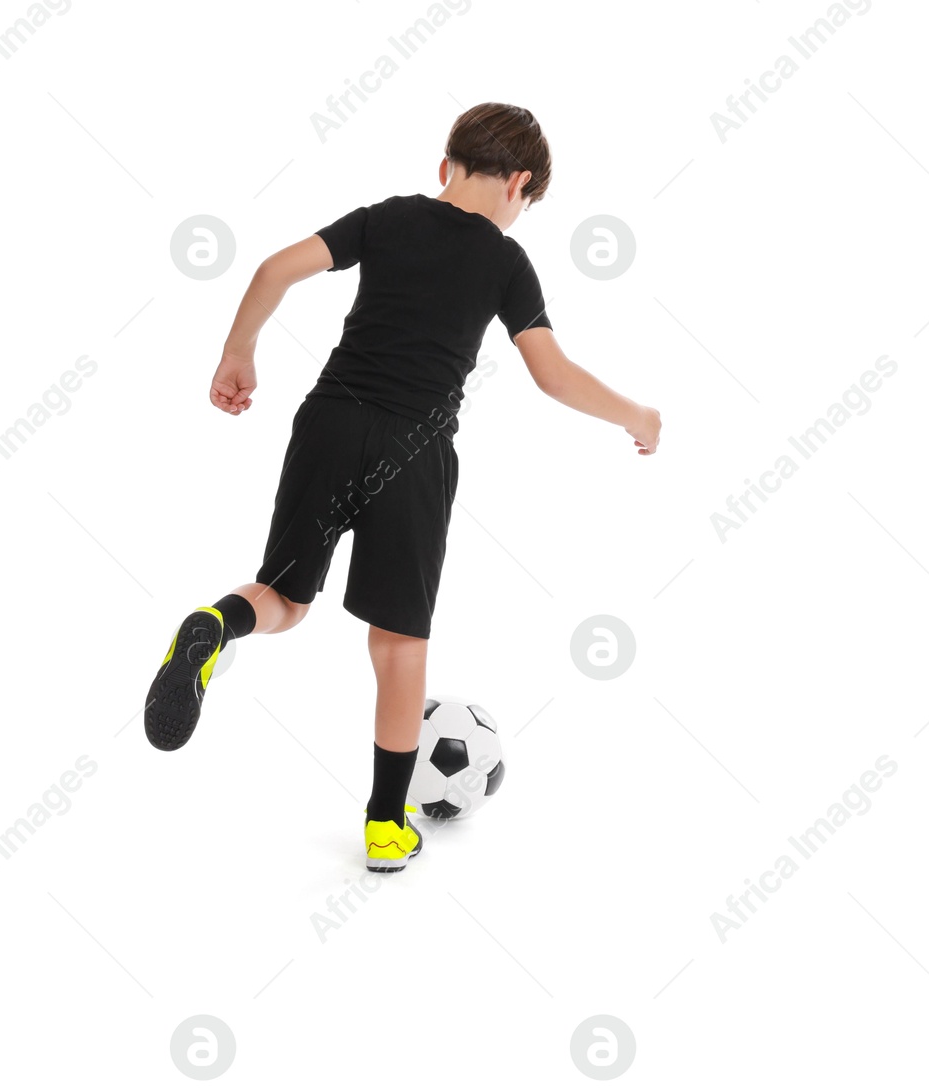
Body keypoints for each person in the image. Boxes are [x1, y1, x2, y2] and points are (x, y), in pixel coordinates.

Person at [143, 103, 660, 872]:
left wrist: (238, 354)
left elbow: (274, 269)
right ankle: (386, 825)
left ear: (444, 166)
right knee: (398, 644)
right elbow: (551, 374)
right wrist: (638, 415)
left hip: (329, 423)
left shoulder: (385, 219)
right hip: (414, 454)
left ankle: (215, 627)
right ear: (520, 184)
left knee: (282, 597)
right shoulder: (505, 264)